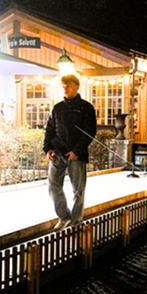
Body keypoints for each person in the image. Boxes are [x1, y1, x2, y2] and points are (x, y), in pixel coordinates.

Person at [43, 74, 97, 229]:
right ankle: (63, 216)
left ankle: (75, 220)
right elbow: (50, 130)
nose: (65, 89)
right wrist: (47, 149)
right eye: (63, 86)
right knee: (53, 186)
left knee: (78, 190)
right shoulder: (57, 108)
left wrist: (77, 150)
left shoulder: (86, 108)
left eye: (69, 86)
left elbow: (89, 132)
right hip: (57, 153)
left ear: (77, 86)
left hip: (76, 155)